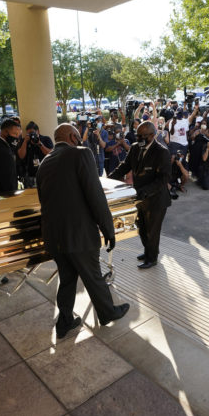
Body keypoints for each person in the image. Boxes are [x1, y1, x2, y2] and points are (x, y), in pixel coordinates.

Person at [36, 123, 129, 338]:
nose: (81, 140)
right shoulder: (81, 154)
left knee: (67, 278)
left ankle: (65, 321)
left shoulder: (45, 162)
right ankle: (107, 313)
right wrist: (108, 229)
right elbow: (95, 195)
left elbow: (44, 200)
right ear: (72, 137)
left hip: (54, 236)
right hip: (78, 234)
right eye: (79, 137)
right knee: (93, 276)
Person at [109, 121, 171, 269]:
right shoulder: (135, 148)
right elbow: (125, 166)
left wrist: (146, 191)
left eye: (143, 137)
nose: (139, 139)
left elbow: (163, 179)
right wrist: (109, 179)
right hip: (140, 198)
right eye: (138, 136)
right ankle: (148, 251)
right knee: (142, 229)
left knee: (152, 231)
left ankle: (152, 258)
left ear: (152, 135)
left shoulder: (162, 152)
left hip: (156, 199)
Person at [0, 119, 22, 193]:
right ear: (5, 132)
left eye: (18, 135)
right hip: (3, 193)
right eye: (15, 134)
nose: (17, 138)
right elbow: (7, 177)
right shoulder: (2, 150)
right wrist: (12, 193)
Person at [21, 121, 53, 188]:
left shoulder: (46, 139)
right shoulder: (24, 141)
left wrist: (39, 144)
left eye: (32, 133)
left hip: (45, 173)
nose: (31, 135)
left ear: (38, 131)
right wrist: (25, 142)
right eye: (29, 133)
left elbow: (50, 154)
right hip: (30, 175)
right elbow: (21, 156)